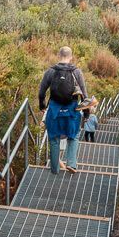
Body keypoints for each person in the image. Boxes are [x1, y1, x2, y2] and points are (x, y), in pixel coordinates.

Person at [38, 46, 89, 174]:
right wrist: (86, 114)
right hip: (72, 110)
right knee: (74, 135)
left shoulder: (50, 71)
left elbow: (41, 92)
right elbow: (84, 95)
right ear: (71, 57)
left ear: (58, 55)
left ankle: (55, 169)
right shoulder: (77, 72)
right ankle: (71, 164)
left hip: (54, 110)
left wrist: (42, 107)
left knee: (54, 138)